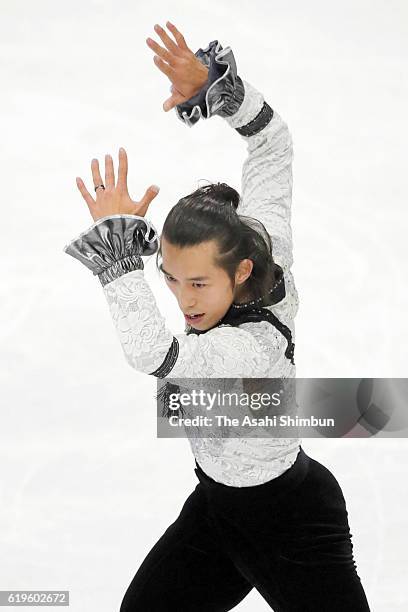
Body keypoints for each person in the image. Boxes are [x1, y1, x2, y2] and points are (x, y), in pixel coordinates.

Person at [63, 21, 371, 612]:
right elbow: (272, 143)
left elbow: (153, 355)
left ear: (242, 273)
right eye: (171, 280)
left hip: (292, 528)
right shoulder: (254, 243)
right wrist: (219, 91)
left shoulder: (247, 347)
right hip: (216, 514)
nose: (185, 301)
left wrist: (118, 257)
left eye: (199, 284)